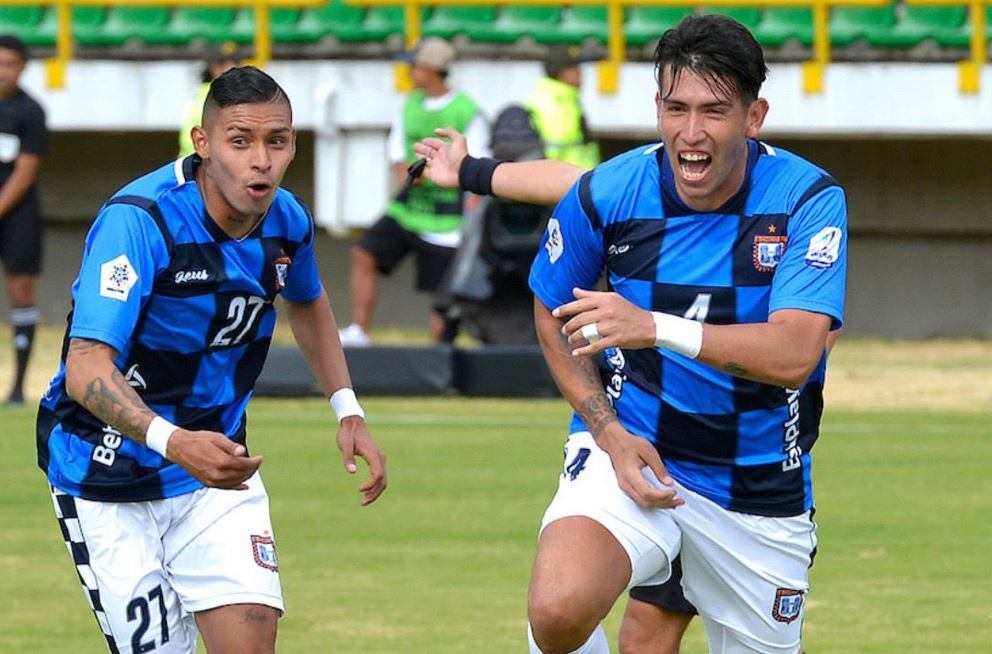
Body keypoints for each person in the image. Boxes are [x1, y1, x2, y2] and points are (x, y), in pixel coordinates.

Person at [416, 15, 846, 654]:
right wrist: (608, 431)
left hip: (756, 480)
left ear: (755, 116)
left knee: (659, 634)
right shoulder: (615, 189)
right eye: (675, 109)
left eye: (714, 112)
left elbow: (794, 353)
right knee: (558, 613)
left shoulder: (807, 199)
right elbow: (552, 304)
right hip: (635, 451)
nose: (691, 134)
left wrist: (655, 328)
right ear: (656, 108)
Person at [37, 66, 387, 654]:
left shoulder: (287, 220)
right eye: (240, 141)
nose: (262, 161)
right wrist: (174, 442)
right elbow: (86, 368)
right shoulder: (139, 221)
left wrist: (346, 408)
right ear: (203, 145)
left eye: (277, 142)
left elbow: (308, 301)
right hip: (103, 473)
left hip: (217, 472)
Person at [338, 36, 489, 346]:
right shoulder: (409, 106)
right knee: (364, 254)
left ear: (433, 69)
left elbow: (477, 162)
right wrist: (409, 175)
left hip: (447, 218)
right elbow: (396, 152)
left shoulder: (467, 110)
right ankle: (359, 331)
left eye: (415, 65)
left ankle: (440, 356)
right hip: (408, 208)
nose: (409, 70)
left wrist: (439, 175)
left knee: (442, 295)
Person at [0, 34, 47, 405]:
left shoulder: (31, 112)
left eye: (9, 64)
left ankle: (17, 386)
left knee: (20, 290)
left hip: (17, 214)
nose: (2, 72)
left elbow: (25, 171)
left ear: (23, 68)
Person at [527, 46, 600, 169]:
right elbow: (552, 157)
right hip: (565, 183)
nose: (581, 73)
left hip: (577, 181)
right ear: (560, 72)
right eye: (574, 68)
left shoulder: (567, 100)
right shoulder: (553, 104)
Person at [178, 41, 239, 158]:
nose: (232, 67)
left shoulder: (207, 93)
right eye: (224, 63)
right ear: (214, 68)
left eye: (235, 62)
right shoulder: (213, 96)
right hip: (200, 164)